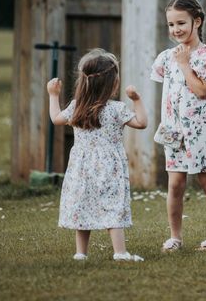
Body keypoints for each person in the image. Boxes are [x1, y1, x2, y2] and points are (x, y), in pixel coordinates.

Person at [47, 48, 147, 262]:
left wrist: (53, 95)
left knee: (83, 204)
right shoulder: (117, 109)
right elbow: (142, 123)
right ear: (113, 83)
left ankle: (80, 253)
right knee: (113, 205)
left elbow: (55, 118)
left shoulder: (76, 107)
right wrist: (137, 99)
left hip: (81, 167)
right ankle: (120, 252)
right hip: (109, 166)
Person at [151, 0, 206, 252]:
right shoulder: (166, 57)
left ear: (197, 22)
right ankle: (175, 237)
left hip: (200, 131)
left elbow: (201, 92)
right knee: (175, 185)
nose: (176, 30)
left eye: (181, 23)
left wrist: (185, 65)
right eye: (171, 24)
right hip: (173, 131)